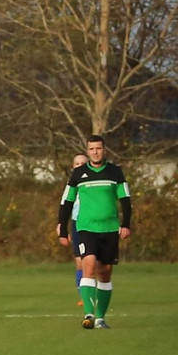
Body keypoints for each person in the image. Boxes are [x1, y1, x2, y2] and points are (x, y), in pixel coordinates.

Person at [57, 136, 132, 329]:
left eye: (98, 148)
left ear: (104, 150)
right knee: (88, 265)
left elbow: (125, 199)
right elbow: (66, 202)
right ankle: (88, 314)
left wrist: (126, 224)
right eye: (91, 149)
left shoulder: (115, 172)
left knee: (105, 273)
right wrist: (62, 229)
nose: (95, 152)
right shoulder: (78, 174)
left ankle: (100, 317)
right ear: (88, 151)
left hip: (109, 228)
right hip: (86, 228)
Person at [57, 153, 89, 306]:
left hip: (94, 225)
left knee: (93, 263)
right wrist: (62, 227)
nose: (80, 166)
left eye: (83, 163)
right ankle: (84, 296)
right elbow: (65, 205)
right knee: (79, 262)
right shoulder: (71, 185)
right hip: (77, 224)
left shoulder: (94, 183)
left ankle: (94, 293)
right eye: (77, 164)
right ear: (73, 167)